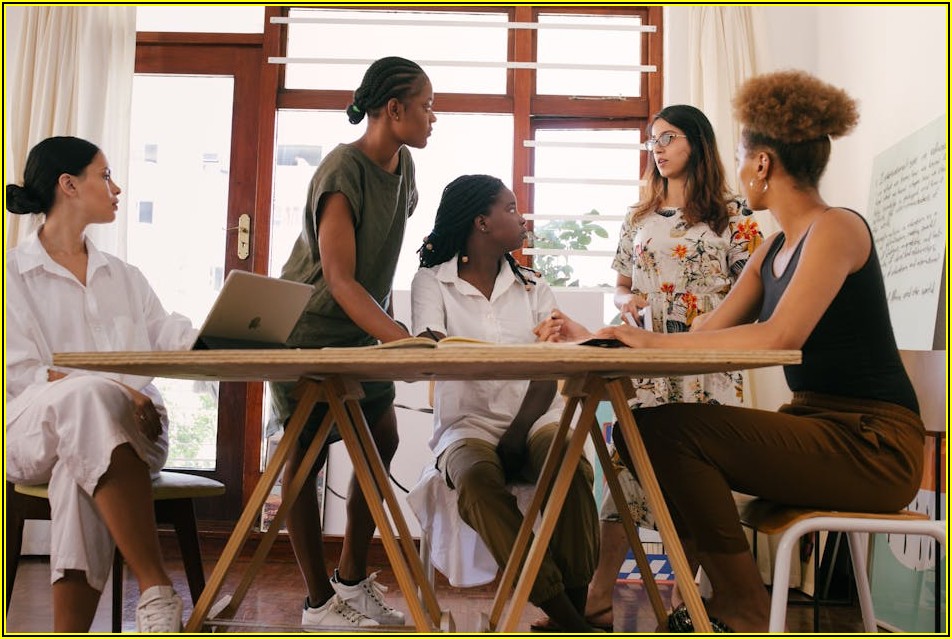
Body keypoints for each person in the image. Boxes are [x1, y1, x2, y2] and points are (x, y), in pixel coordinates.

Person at [542, 70, 924, 633]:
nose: (739, 170)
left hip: (871, 444)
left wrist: (645, 338)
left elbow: (778, 338)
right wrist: (597, 337)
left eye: (744, 157)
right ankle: (726, 601)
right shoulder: (773, 247)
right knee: (645, 431)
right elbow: (700, 339)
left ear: (763, 164)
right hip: (819, 427)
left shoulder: (836, 228)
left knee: (668, 433)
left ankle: (740, 603)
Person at [533, 104, 762, 631]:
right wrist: (626, 302)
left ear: (697, 144)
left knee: (699, 484)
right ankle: (596, 601)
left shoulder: (735, 213)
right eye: (652, 140)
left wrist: (710, 325)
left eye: (669, 137)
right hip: (646, 362)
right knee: (622, 477)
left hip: (708, 363)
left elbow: (756, 292)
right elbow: (621, 283)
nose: (657, 148)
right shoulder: (637, 216)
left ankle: (683, 602)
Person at [268, 56, 436, 629]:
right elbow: (338, 279)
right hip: (309, 331)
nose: (433, 116)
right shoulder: (341, 169)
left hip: (365, 330)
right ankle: (318, 603)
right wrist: (404, 340)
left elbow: (384, 259)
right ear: (394, 109)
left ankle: (351, 581)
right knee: (307, 458)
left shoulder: (405, 167)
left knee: (379, 442)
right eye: (426, 105)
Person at [5, 136, 197, 633]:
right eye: (104, 175)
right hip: (30, 431)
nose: (116, 187)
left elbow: (175, 338)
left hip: (134, 435)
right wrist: (119, 389)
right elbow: (23, 373)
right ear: (68, 185)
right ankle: (156, 586)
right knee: (90, 399)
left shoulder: (125, 277)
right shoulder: (11, 275)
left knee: (79, 472)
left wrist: (241, 332)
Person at [410, 175, 600, 632]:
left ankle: (565, 620)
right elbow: (433, 354)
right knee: (476, 483)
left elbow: (546, 375)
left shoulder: (534, 285)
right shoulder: (433, 283)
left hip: (535, 420)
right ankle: (570, 619)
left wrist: (516, 435)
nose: (521, 217)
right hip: (466, 426)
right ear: (482, 223)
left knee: (571, 468)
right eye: (511, 209)